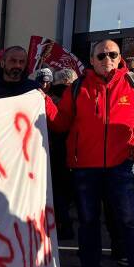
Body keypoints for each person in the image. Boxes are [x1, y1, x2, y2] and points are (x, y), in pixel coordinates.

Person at [45, 39, 134, 267]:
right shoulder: (77, 88)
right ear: (92, 59)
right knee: (87, 221)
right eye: (101, 55)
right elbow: (61, 123)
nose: (107, 59)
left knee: (131, 221)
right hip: (86, 166)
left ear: (120, 57)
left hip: (122, 165)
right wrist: (43, 102)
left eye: (113, 54)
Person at [48, 68, 78, 239]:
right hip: (71, 151)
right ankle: (65, 225)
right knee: (65, 193)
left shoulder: (51, 99)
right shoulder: (78, 97)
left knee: (59, 192)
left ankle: (63, 225)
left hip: (56, 150)